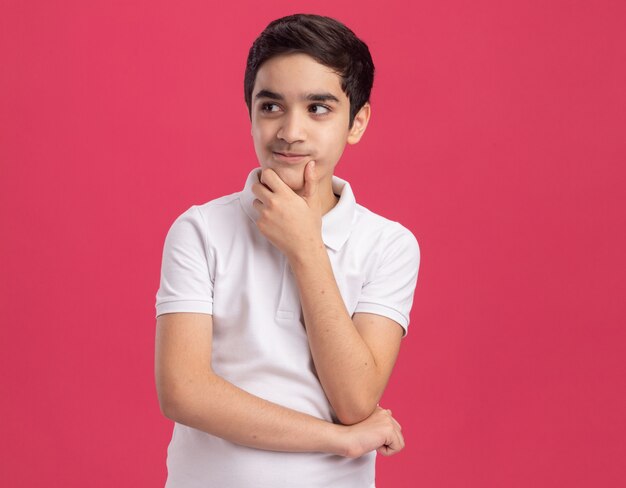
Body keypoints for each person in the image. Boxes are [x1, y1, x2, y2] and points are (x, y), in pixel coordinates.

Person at [155, 13, 420, 488]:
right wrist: (339, 439)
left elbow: (356, 400)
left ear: (356, 122)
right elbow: (184, 391)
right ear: (251, 115)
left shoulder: (389, 244)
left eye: (318, 108)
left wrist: (306, 248)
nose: (290, 131)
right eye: (271, 106)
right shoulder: (200, 230)